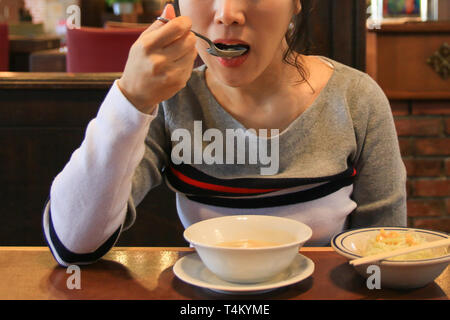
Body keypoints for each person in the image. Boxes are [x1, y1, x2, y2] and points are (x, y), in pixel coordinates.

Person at [42, 0, 407, 267]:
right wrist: (131, 99)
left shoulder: (357, 100)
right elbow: (73, 244)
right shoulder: (171, 99)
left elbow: (383, 255)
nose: (228, 13)